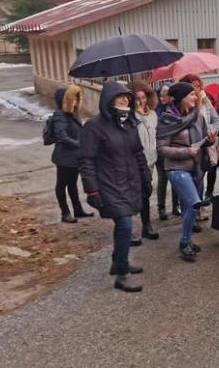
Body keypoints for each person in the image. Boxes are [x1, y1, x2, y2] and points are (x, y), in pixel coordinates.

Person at [79, 82, 152, 292]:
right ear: (108, 100)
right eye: (120, 96)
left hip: (130, 182)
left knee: (124, 225)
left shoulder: (129, 123)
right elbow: (86, 160)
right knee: (125, 226)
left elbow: (138, 153)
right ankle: (122, 274)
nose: (126, 100)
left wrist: (146, 179)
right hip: (109, 184)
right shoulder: (94, 126)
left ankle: (119, 261)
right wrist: (91, 189)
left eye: (127, 97)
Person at [157, 82, 213, 262]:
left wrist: (210, 140)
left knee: (190, 206)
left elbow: (204, 140)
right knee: (193, 202)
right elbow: (161, 149)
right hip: (176, 168)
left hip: (196, 167)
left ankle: (185, 241)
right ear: (181, 98)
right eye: (191, 95)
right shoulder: (166, 119)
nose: (195, 98)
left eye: (195, 95)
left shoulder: (198, 116)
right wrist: (186, 152)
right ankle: (185, 242)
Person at [180, 74, 219, 217]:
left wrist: (209, 131)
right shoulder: (181, 104)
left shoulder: (204, 100)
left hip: (203, 147)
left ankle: (196, 212)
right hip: (186, 149)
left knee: (199, 180)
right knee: (186, 185)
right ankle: (188, 214)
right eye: (193, 86)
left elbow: (217, 120)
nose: (196, 89)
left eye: (198, 86)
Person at [51, 85, 92, 223]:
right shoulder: (59, 115)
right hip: (64, 157)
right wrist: (79, 144)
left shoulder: (73, 113)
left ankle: (78, 209)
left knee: (72, 184)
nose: (76, 101)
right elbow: (61, 136)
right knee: (62, 185)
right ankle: (65, 213)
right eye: (73, 98)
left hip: (75, 157)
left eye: (77, 98)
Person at [129, 81, 160, 242]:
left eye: (144, 97)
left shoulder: (153, 115)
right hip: (136, 161)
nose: (141, 101)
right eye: (138, 98)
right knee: (139, 193)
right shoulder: (131, 117)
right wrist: (135, 115)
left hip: (151, 159)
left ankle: (146, 225)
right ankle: (140, 226)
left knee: (146, 192)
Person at [154, 84, 178, 219]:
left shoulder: (175, 109)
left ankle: (176, 205)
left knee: (175, 179)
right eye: (161, 94)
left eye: (166, 94)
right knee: (162, 180)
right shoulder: (156, 110)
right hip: (161, 151)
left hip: (174, 149)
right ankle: (161, 208)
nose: (163, 97)